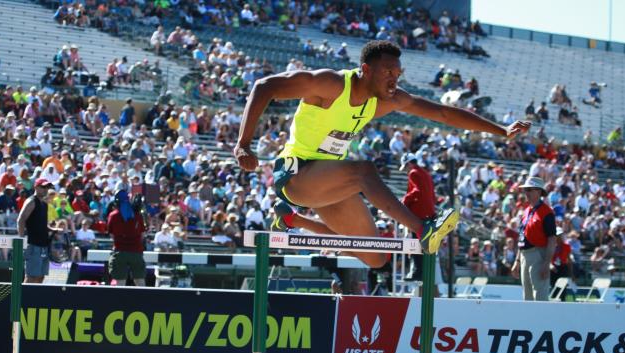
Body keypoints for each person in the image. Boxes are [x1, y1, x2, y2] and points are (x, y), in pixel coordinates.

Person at [235, 41, 530, 268]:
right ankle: (422, 230)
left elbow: (440, 112)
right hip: (296, 174)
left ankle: (293, 220)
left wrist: (501, 130)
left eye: (398, 74)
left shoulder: (385, 100)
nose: (394, 80)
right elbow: (266, 86)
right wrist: (244, 144)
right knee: (364, 170)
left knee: (376, 258)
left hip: (330, 181)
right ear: (366, 70)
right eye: (388, 72)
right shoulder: (330, 84)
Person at [400, 153, 444, 295]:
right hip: (428, 212)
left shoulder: (413, 173)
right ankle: (421, 271)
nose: (406, 171)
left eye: (405, 167)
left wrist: (404, 201)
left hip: (419, 214)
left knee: (415, 243)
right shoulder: (425, 173)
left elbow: (417, 192)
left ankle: (417, 271)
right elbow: (432, 196)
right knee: (423, 243)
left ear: (409, 164)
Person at [511, 177, 557, 301]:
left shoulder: (546, 212)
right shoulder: (526, 211)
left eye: (529, 190)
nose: (526, 193)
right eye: (525, 190)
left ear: (538, 191)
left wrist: (546, 263)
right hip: (524, 256)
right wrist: (517, 261)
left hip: (538, 254)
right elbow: (522, 237)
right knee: (527, 296)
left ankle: (542, 321)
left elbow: (552, 240)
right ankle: (528, 321)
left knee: (540, 295)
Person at [16, 178, 55, 283]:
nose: (45, 189)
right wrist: (21, 239)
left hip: (44, 245)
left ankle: (34, 299)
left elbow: (42, 224)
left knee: (41, 277)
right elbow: (21, 219)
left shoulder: (44, 204)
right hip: (33, 245)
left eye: (47, 187)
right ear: (36, 187)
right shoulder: (31, 201)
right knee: (31, 277)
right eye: (43, 187)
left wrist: (54, 229)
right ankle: (23, 299)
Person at [107, 190, 146, 286]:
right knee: (140, 281)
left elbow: (111, 234)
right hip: (136, 251)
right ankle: (144, 301)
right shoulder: (137, 215)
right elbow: (142, 234)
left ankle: (120, 301)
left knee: (120, 283)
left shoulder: (113, 215)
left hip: (119, 252)